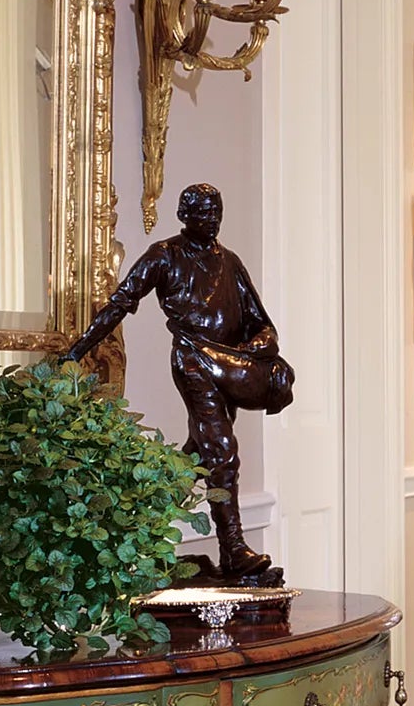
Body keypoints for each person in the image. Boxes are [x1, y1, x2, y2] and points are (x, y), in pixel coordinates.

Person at [63, 181, 293, 583]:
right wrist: (76, 351)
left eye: (216, 212)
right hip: (193, 362)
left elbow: (263, 325)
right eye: (203, 213)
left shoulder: (231, 262)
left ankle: (146, 530)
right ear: (184, 215)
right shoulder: (164, 256)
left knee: (197, 456)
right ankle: (234, 550)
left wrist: (254, 349)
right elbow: (120, 304)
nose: (211, 220)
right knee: (221, 449)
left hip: (230, 369)